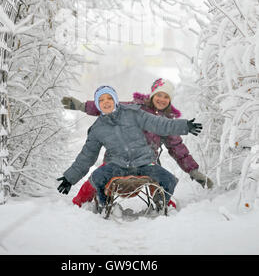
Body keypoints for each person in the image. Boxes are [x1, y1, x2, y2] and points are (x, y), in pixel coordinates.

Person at [61, 78, 213, 208]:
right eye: (158, 95)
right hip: (117, 162)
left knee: (167, 181)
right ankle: (86, 203)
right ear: (152, 95)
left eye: (166, 96)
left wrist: (193, 169)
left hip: (146, 161)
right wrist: (81, 106)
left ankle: (164, 205)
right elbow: (107, 104)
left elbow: (178, 148)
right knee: (94, 180)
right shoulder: (134, 109)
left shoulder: (160, 120)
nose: (161, 99)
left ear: (170, 100)